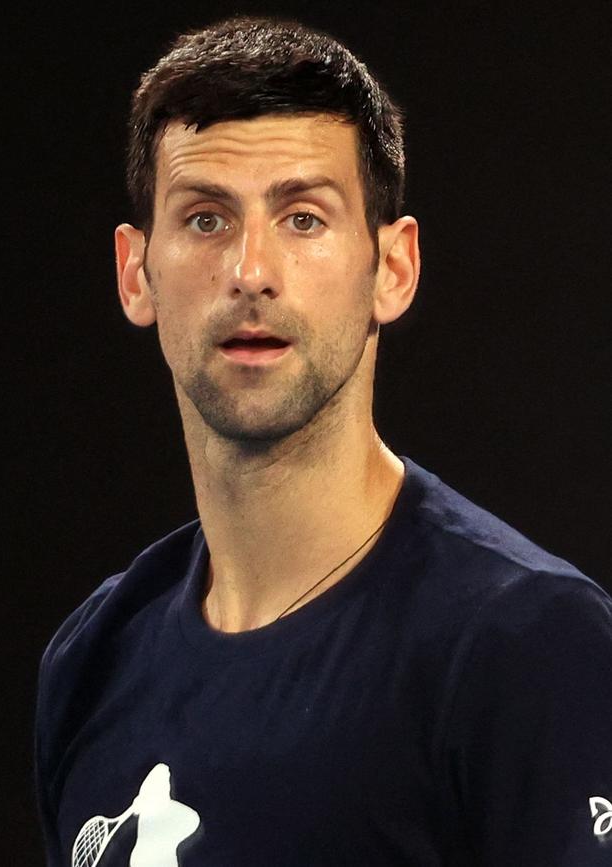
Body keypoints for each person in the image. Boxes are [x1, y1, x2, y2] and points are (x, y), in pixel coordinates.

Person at [35, 16, 612, 866]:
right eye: (204, 219)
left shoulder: (527, 647)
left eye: (304, 218)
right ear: (136, 272)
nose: (251, 269)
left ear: (393, 268)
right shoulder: (92, 659)